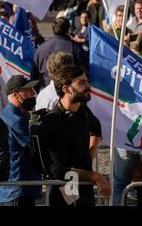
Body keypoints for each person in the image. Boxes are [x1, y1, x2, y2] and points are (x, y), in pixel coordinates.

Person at [40, 66, 110, 206]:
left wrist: (90, 153)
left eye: (87, 81)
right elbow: (58, 171)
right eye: (82, 82)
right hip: (64, 193)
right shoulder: (52, 121)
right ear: (67, 89)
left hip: (86, 192)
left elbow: (96, 127)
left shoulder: (83, 111)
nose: (88, 86)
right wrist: (95, 176)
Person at [0, 75, 42, 206]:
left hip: (10, 188)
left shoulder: (7, 113)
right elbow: (36, 149)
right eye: (28, 90)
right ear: (16, 95)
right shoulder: (17, 120)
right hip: (19, 188)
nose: (33, 93)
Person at [32, 17, 87, 90]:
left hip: (45, 90)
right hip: (68, 93)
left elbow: (34, 75)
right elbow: (84, 73)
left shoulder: (41, 48)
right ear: (68, 29)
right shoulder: (76, 48)